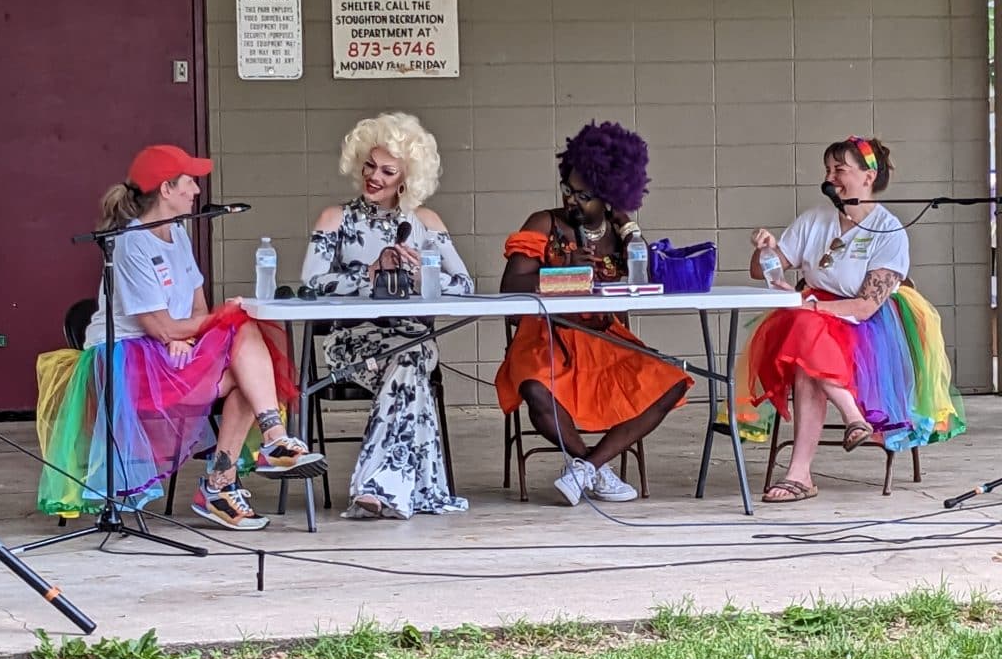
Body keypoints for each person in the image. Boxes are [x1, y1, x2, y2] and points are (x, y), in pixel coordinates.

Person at [36, 145, 324, 531]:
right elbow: (163, 327)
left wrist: (188, 335)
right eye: (189, 181)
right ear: (166, 189)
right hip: (128, 362)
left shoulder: (179, 233)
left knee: (246, 366)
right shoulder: (130, 241)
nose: (197, 190)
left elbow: (197, 312)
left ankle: (248, 461)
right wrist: (187, 330)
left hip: (169, 353)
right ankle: (233, 475)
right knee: (242, 334)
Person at [739, 136, 965, 503]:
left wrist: (809, 308)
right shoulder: (814, 219)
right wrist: (764, 250)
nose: (830, 178)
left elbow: (864, 307)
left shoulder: (889, 231)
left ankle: (800, 474)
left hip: (865, 329)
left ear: (868, 175)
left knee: (805, 340)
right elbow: (761, 272)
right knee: (806, 334)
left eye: (839, 170)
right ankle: (852, 417)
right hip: (810, 316)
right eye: (828, 170)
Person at [494, 121, 692, 506]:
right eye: (568, 189)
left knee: (673, 381)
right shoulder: (543, 223)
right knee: (536, 389)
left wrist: (631, 230)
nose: (572, 201)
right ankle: (596, 469)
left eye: (583, 195)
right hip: (547, 335)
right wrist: (560, 271)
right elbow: (510, 288)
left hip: (604, 337)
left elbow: (647, 279)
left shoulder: (622, 233)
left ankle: (586, 468)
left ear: (610, 196)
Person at [301, 112, 472, 520]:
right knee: (410, 369)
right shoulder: (335, 219)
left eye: (387, 170)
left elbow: (464, 284)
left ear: (406, 178)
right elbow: (309, 285)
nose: (374, 176)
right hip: (353, 343)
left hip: (410, 339)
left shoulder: (426, 223)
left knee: (409, 357)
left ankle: (377, 489)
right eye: (369, 165)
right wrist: (370, 274)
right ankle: (388, 488)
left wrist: (420, 276)